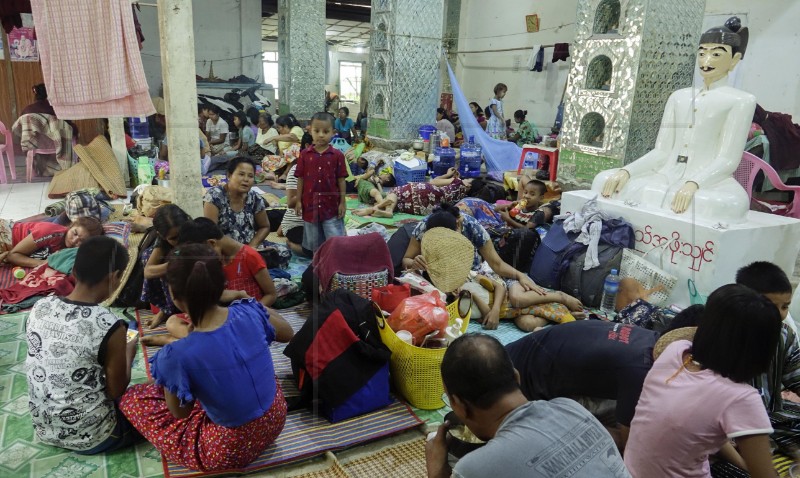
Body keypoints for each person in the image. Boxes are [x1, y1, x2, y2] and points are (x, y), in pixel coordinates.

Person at [120, 244, 288, 472]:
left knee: (132, 398)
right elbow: (288, 332)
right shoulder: (250, 311)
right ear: (222, 286)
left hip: (230, 448)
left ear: (174, 295)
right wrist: (247, 301)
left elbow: (181, 413)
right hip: (277, 416)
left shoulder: (174, 357)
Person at [594, 17, 755, 221]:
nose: (706, 60)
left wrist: (695, 183)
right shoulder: (679, 96)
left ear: (734, 59)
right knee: (604, 179)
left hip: (711, 182)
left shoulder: (741, 100)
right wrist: (627, 170)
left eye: (716, 54)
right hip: (665, 173)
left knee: (718, 204)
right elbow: (662, 151)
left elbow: (727, 159)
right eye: (702, 52)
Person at [624, 284, 781, 477]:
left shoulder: (676, 351)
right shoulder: (741, 398)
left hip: (628, 471)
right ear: (762, 350)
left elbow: (695, 429)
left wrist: (745, 464)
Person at [426, 333, 629, 478]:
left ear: (458, 405)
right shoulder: (570, 407)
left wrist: (437, 472)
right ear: (517, 376)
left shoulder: (473, 469)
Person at [26, 236, 138, 454]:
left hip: (44, 428)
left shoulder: (40, 306)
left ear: (74, 271)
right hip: (97, 436)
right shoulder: (109, 324)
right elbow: (116, 390)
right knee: (150, 399)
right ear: (114, 277)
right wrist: (129, 347)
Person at [735, 261, 800, 458]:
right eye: (771, 306)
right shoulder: (728, 339)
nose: (780, 314)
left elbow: (797, 378)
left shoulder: (783, 336)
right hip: (733, 423)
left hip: (769, 416)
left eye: (785, 307)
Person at [402, 204, 540, 293]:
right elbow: (406, 260)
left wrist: (520, 275)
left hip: (467, 274)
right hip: (436, 274)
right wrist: (414, 262)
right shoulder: (425, 226)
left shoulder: (472, 227)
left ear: (458, 225)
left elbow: (496, 264)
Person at [294, 112, 347, 252]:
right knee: (313, 245)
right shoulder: (305, 155)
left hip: (331, 206)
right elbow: (301, 179)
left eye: (326, 131)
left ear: (333, 133)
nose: (321, 135)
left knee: (335, 241)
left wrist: (343, 202)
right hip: (309, 205)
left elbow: (341, 180)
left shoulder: (338, 155)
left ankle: (335, 264)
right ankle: (317, 265)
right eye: (317, 131)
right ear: (310, 130)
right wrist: (298, 201)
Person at [462, 273, 583, 331]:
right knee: (527, 324)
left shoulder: (471, 277)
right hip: (511, 312)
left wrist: (496, 309)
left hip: (511, 286)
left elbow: (500, 287)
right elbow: (489, 316)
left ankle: (559, 297)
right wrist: (472, 297)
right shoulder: (460, 304)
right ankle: (558, 315)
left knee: (518, 300)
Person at [141, 204, 191, 329]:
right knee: (148, 256)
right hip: (178, 272)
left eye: (182, 234)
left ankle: (191, 310)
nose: (180, 240)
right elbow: (148, 271)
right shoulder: (162, 241)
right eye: (173, 238)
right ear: (161, 235)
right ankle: (167, 308)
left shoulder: (196, 231)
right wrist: (173, 265)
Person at [204, 157, 270, 247]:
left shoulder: (254, 197)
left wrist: (251, 248)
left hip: (250, 247)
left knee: (282, 252)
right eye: (241, 174)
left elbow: (265, 227)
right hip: (224, 249)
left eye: (250, 176)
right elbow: (210, 233)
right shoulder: (214, 197)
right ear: (229, 175)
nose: (246, 179)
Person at [354, 167, 471, 218]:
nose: (465, 179)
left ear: (468, 185)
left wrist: (449, 175)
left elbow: (434, 182)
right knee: (398, 203)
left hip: (424, 192)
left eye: (468, 180)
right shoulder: (461, 198)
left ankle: (382, 209)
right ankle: (381, 209)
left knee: (396, 192)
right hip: (427, 208)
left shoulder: (458, 182)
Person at [0, 216, 103, 268]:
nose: (74, 241)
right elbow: (12, 256)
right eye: (75, 233)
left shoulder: (75, 252)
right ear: (70, 226)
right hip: (5, 234)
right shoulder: (51, 233)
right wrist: (42, 263)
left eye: (82, 241)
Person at [280, 164, 308, 256]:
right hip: (298, 223)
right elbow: (291, 202)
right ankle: (290, 244)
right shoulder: (297, 169)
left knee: (336, 246)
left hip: (319, 222)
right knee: (315, 251)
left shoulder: (330, 166)